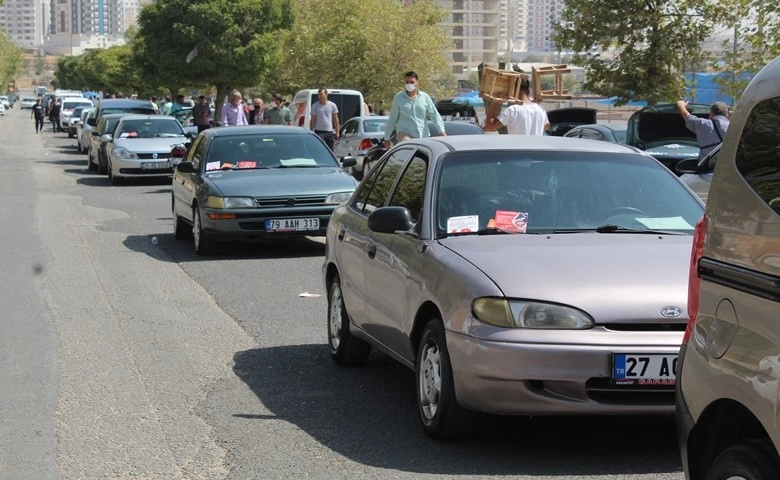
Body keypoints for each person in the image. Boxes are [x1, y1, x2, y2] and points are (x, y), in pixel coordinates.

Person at [383, 71, 446, 149]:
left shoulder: (425, 97)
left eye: (412, 82)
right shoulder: (398, 98)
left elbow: (434, 115)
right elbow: (393, 118)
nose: (409, 84)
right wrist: (387, 138)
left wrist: (441, 131)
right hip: (404, 133)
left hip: (423, 135)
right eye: (407, 82)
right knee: (409, 148)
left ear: (417, 82)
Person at [483, 76, 550, 135]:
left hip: (518, 148)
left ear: (513, 89)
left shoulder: (513, 110)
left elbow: (488, 127)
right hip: (537, 149)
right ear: (528, 90)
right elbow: (546, 126)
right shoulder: (540, 109)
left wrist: (494, 102)